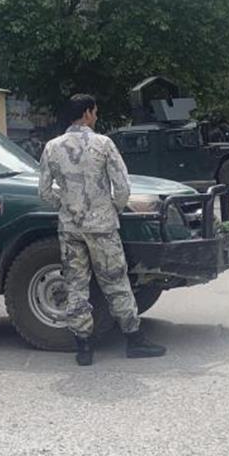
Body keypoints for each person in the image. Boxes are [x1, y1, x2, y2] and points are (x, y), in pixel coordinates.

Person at [38, 94, 166, 365]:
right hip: (103, 226)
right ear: (87, 113)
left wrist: (65, 205)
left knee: (76, 284)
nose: (96, 116)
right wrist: (112, 209)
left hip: (70, 227)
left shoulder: (52, 147)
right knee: (115, 281)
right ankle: (133, 338)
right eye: (95, 112)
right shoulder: (103, 144)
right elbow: (122, 187)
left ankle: (83, 346)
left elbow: (44, 191)